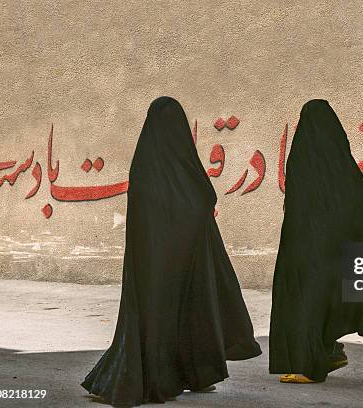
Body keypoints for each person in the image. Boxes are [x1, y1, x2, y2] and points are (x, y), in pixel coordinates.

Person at [82, 97, 261, 406]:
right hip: (185, 261)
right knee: (187, 311)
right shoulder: (187, 169)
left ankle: (164, 374)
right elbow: (205, 198)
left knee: (156, 315)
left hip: (151, 265)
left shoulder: (144, 167)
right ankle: (189, 372)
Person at [269, 99, 363, 384]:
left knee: (306, 302)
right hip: (339, 247)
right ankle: (331, 351)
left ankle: (310, 366)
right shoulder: (339, 158)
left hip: (306, 245)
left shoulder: (300, 157)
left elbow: (297, 204)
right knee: (330, 299)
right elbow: (358, 201)